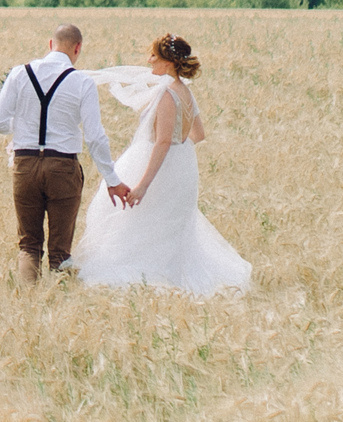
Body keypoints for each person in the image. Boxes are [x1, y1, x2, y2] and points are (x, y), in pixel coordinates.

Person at [69, 34, 253, 294]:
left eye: (153, 56)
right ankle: (173, 273)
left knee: (137, 221)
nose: (148, 60)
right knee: (165, 224)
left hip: (159, 167)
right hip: (183, 166)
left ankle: (144, 275)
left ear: (167, 62)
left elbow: (163, 142)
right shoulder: (185, 92)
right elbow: (199, 134)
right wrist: (181, 143)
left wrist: (143, 184)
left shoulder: (167, 94)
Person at [0, 23, 131, 284]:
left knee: (29, 246)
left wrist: (20, 127)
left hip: (25, 165)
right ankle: (61, 306)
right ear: (77, 49)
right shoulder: (82, 82)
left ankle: (27, 309)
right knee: (60, 251)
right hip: (63, 168)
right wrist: (112, 180)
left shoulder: (20, 74)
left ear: (50, 44)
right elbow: (95, 137)